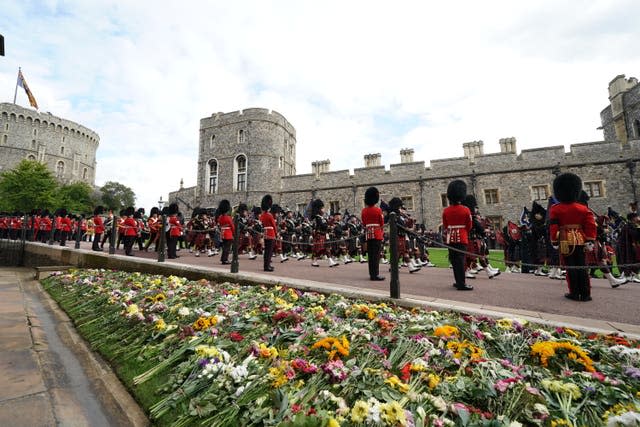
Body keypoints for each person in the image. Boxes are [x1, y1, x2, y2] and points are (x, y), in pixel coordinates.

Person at [549, 173, 597, 301]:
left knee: (570, 267)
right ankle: (586, 293)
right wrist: (590, 240)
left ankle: (574, 293)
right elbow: (590, 225)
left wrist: (554, 240)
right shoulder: (583, 208)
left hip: (565, 240)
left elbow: (553, 226)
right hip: (581, 240)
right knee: (582, 266)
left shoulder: (556, 209)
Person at [442, 180, 473, 290]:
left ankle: (458, 281)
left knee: (454, 260)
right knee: (461, 260)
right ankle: (461, 284)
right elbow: (469, 225)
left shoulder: (446, 210)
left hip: (450, 238)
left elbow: (445, 225)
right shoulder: (466, 210)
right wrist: (464, 232)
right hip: (462, 237)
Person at [361, 187, 385, 281]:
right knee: (376, 255)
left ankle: (372, 274)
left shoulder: (364, 210)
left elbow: (364, 223)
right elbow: (381, 223)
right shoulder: (378, 210)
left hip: (368, 234)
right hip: (377, 234)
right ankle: (375, 275)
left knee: (371, 255)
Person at [259, 195, 276, 271]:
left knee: (267, 251)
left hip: (265, 233)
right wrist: (276, 234)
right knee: (269, 251)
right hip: (271, 233)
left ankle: (267, 265)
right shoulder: (269, 215)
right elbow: (274, 226)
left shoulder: (262, 215)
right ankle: (267, 266)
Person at [217, 200, 235, 264]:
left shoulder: (220, 217)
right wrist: (234, 233)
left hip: (223, 233)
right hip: (228, 234)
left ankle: (223, 258)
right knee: (227, 247)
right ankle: (225, 259)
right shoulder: (228, 217)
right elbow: (232, 226)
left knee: (224, 247)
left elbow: (219, 225)